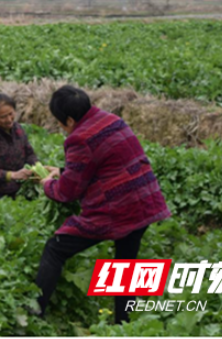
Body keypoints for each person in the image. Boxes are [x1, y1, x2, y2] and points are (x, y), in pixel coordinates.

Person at [34, 85, 171, 324]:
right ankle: (123, 324)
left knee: (55, 249)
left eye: (61, 124)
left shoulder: (79, 138)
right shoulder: (111, 120)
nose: (62, 129)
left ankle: (33, 314)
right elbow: (102, 165)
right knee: (125, 266)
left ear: (69, 119)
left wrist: (47, 184)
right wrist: (64, 171)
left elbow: (68, 192)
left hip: (118, 208)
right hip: (143, 200)